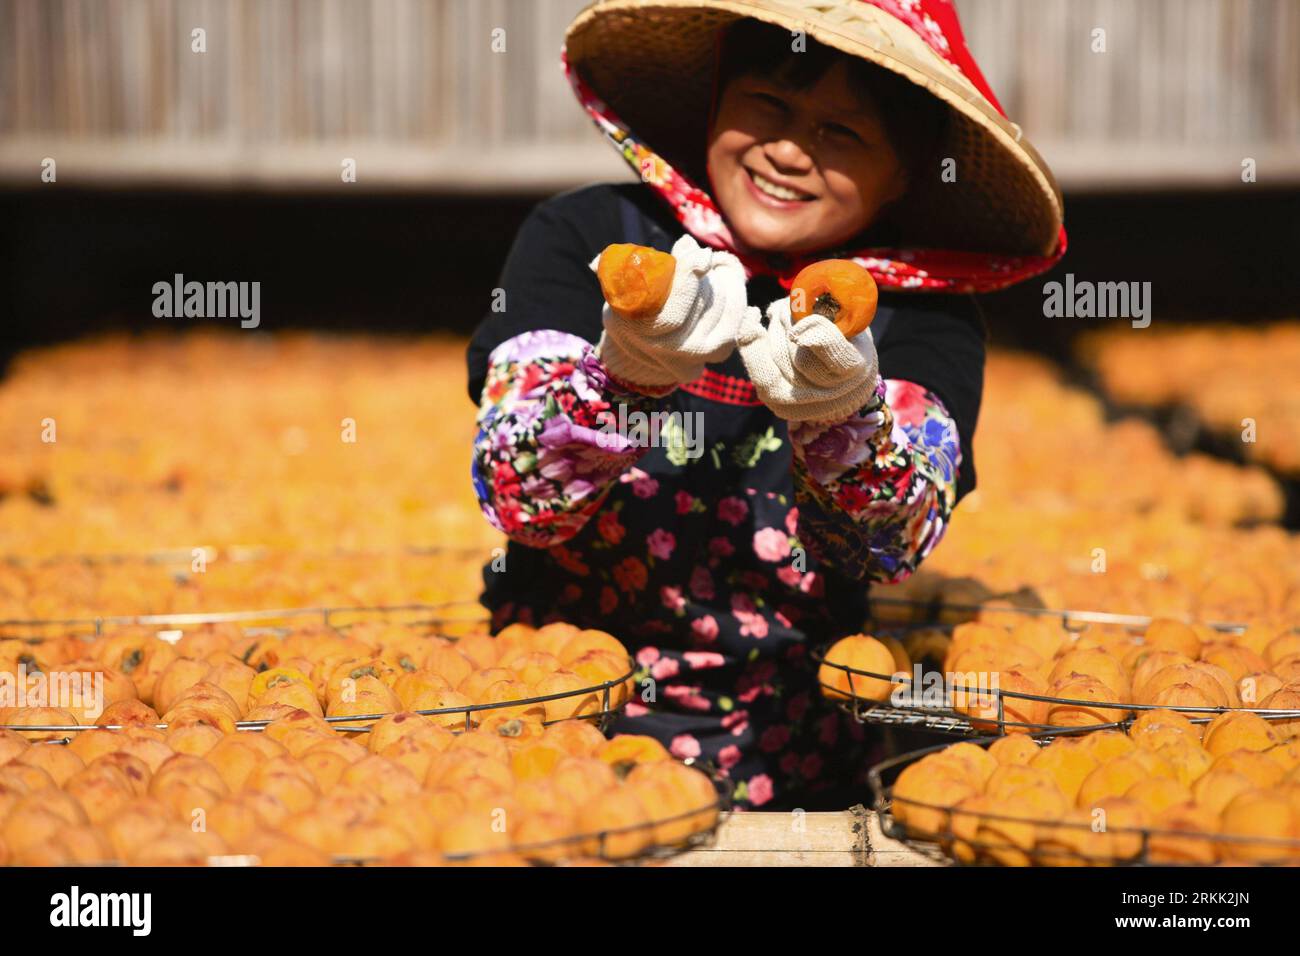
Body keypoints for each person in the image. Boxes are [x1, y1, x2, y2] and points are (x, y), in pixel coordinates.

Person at [466, 0, 1065, 810]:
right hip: (551, 732)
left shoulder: (919, 317)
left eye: (843, 134)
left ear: (901, 178)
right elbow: (518, 494)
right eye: (768, 108)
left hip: (793, 750)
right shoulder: (592, 241)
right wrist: (622, 375)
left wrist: (844, 418)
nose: (788, 151)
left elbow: (894, 536)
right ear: (715, 104)